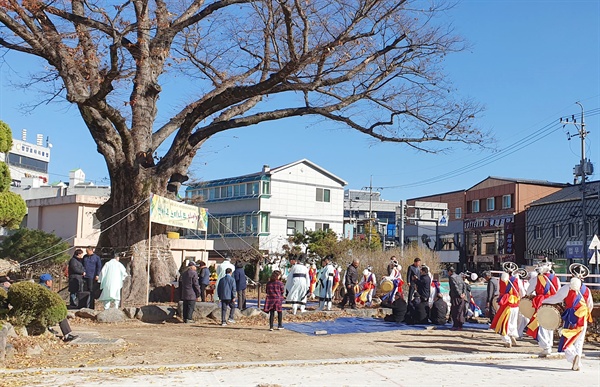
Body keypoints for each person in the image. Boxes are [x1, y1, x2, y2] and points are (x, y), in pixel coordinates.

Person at [542, 267, 593, 371]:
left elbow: (556, 298)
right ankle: (577, 363)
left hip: (572, 317)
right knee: (579, 340)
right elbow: (590, 305)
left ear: (571, 276)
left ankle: (573, 357)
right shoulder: (587, 290)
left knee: (567, 340)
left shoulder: (567, 288)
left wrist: (543, 302)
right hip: (583, 317)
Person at [526, 260, 561, 356]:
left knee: (541, 324)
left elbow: (529, 291)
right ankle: (549, 344)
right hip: (553, 302)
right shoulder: (556, 278)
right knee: (550, 324)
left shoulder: (537, 279)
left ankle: (546, 346)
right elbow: (558, 291)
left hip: (541, 302)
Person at [490, 265, 525, 348]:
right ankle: (512, 337)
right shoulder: (517, 280)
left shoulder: (501, 280)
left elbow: (498, 292)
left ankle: (507, 340)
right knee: (513, 321)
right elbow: (522, 292)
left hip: (505, 303)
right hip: (515, 304)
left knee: (503, 323)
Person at [39, 274, 78, 342]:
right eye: (51, 281)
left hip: (41, 311)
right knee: (61, 315)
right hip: (43, 312)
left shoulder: (39, 288)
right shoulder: (45, 290)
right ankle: (67, 335)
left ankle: (49, 327)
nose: (52, 282)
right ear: (47, 282)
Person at [448, 266, 466, 331]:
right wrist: (463, 293)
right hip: (462, 296)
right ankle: (460, 325)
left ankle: (456, 325)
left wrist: (459, 294)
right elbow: (464, 285)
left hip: (455, 296)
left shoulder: (452, 278)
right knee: (460, 311)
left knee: (455, 311)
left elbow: (455, 287)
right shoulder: (459, 276)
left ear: (450, 272)